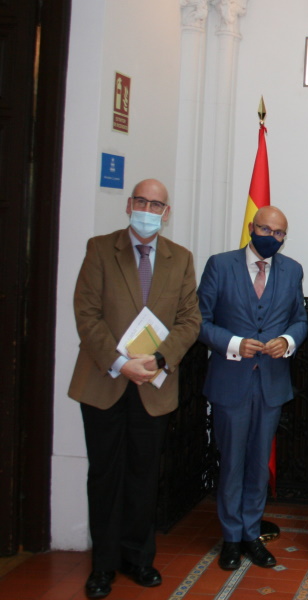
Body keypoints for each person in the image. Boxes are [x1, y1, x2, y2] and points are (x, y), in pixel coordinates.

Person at [69, 179, 202, 599]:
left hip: (155, 384)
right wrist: (121, 362)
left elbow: (189, 321)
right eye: (141, 201)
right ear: (129, 205)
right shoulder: (99, 249)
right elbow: (86, 314)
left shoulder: (179, 259)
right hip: (104, 381)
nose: (148, 208)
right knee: (105, 476)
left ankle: (138, 559)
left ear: (166, 212)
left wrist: (158, 361)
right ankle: (103, 566)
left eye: (157, 204)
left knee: (145, 477)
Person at [197, 206, 308, 571]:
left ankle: (250, 533)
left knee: (259, 464)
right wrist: (232, 343)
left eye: (279, 233)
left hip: (272, 384)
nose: (272, 237)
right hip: (231, 382)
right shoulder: (220, 265)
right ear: (251, 228)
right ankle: (230, 538)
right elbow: (200, 320)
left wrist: (288, 341)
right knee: (231, 463)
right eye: (266, 229)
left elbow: (300, 319)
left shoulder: (292, 270)